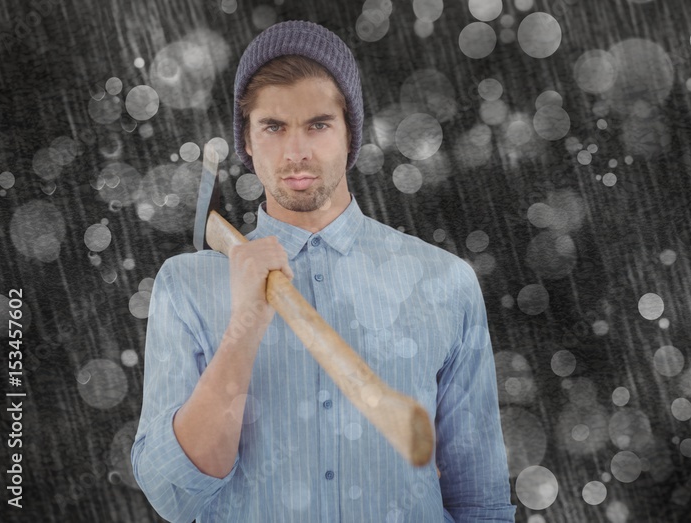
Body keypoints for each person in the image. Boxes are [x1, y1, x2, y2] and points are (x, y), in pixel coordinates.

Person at [131, 20, 515, 522]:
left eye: (318, 124)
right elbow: (173, 495)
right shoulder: (186, 285)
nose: (297, 152)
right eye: (273, 127)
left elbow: (480, 502)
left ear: (350, 131)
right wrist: (245, 321)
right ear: (245, 139)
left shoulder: (443, 281)